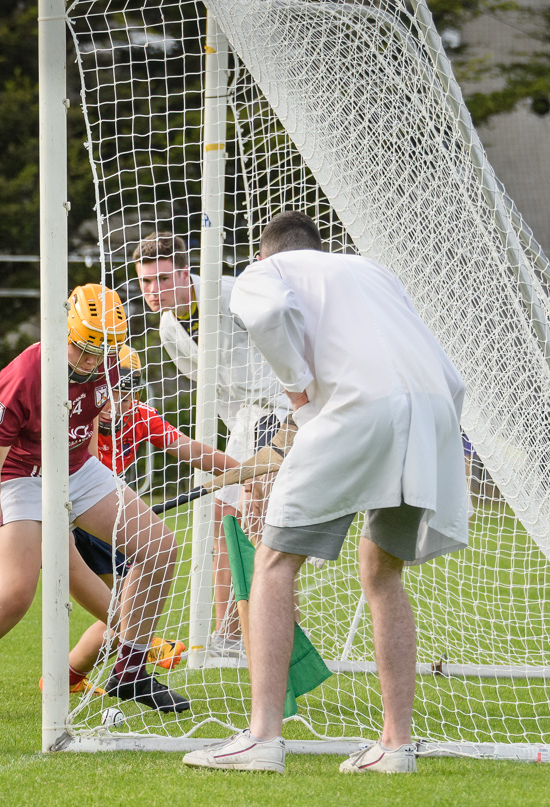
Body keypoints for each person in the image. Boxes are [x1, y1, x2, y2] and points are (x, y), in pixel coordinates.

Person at [182, 211, 468, 774]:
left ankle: (262, 738)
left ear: (265, 254)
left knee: (272, 560)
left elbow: (266, 314)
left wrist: (299, 393)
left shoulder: (266, 273)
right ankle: (396, 746)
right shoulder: (373, 272)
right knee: (382, 569)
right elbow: (448, 374)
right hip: (435, 412)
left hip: (357, 410)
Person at [0, 284, 190, 719]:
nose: (92, 363)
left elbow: (90, 422)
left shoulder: (109, 363)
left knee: (161, 548)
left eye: (102, 352)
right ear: (65, 332)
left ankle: (131, 671)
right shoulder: (24, 374)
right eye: (83, 350)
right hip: (22, 477)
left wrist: (90, 487)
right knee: (14, 594)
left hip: (77, 468)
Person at [134, 232, 288, 656]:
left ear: (185, 272)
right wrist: (233, 442)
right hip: (244, 420)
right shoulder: (168, 328)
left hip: (282, 408)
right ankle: (231, 635)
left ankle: (275, 626)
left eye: (163, 279)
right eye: (145, 282)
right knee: (224, 517)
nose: (153, 291)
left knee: (260, 516)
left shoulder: (231, 293)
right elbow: (212, 390)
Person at [63, 345, 239, 685]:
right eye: (110, 397)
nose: (117, 407)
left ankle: (67, 678)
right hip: (81, 523)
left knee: (125, 608)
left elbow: (189, 449)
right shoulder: (77, 417)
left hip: (110, 520)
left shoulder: (141, 416)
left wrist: (245, 469)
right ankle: (145, 653)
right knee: (126, 609)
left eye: (126, 397)